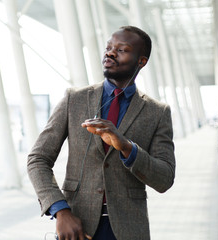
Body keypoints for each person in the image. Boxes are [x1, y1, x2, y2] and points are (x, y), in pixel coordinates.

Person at [27, 26, 175, 240]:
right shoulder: (74, 99)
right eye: (108, 47)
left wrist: (126, 147)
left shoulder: (157, 112)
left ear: (141, 61)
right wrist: (60, 210)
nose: (110, 53)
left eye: (122, 49)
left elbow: (165, 178)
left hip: (129, 230)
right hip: (77, 226)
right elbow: (38, 159)